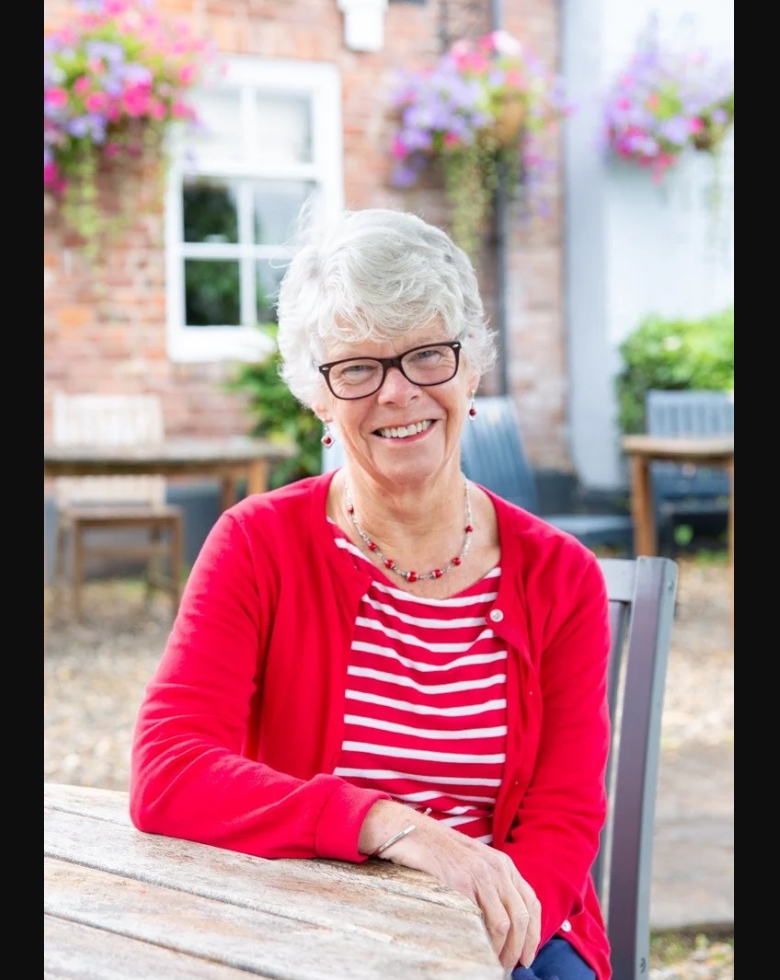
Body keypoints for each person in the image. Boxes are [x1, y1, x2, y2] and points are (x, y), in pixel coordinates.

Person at [130, 208, 612, 980]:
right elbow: (170, 768)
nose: (397, 394)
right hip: (309, 921)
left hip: (511, 930)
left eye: (427, 355)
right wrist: (391, 826)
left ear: (471, 368)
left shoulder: (561, 578)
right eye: (357, 368)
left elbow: (564, 822)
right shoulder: (256, 546)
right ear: (317, 395)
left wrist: (474, 939)